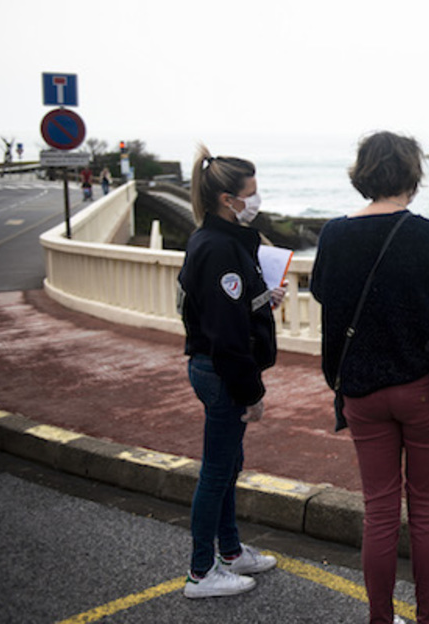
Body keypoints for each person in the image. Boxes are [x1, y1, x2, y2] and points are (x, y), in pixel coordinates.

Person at [311, 131, 429, 624]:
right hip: (426, 388)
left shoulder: (334, 235)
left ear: (363, 174)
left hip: (361, 388)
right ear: (412, 174)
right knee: (426, 510)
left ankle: (380, 619)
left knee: (380, 510)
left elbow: (325, 297)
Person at [177, 145, 285, 598]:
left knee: (228, 465)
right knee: (217, 471)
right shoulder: (220, 249)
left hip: (211, 368)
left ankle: (231, 550)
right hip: (222, 373)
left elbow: (221, 308)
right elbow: (225, 334)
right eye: (252, 193)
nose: (257, 200)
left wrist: (262, 301)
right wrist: (252, 392)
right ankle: (202, 572)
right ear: (228, 199)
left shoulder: (212, 240)